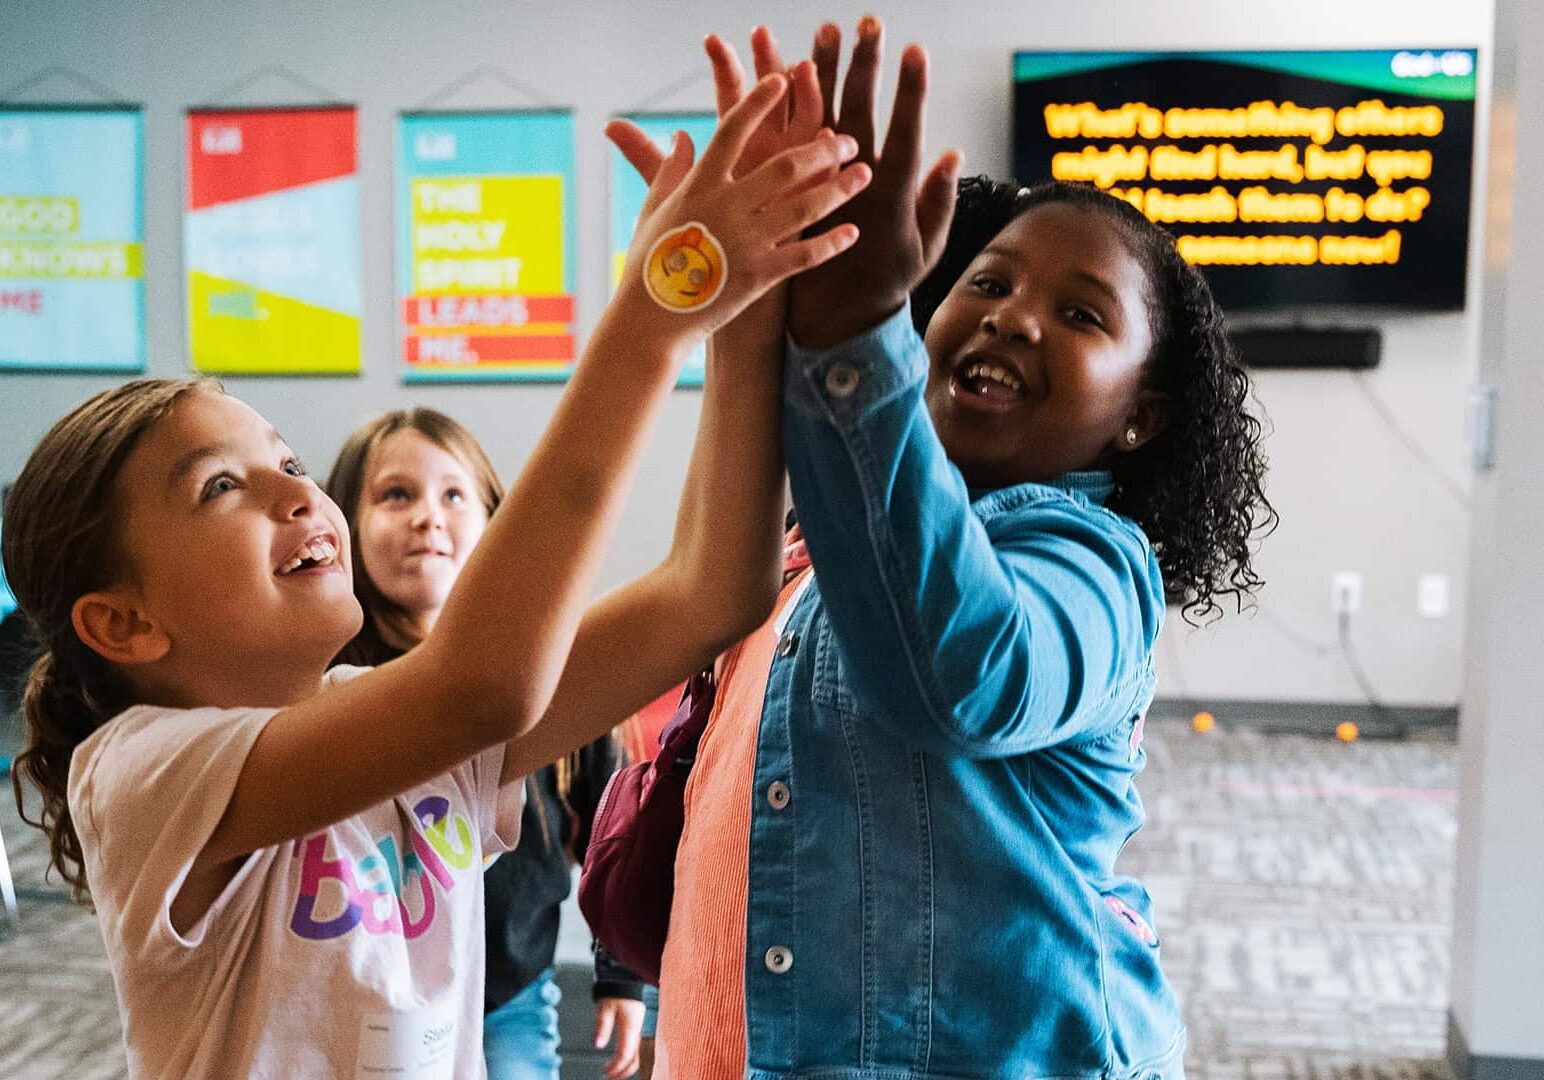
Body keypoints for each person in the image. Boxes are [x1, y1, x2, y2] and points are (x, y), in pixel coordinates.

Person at [1, 73, 869, 1078]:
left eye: (285, 463)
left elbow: (705, 594)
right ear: (124, 622)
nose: (294, 494)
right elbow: (480, 684)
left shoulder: (395, 718)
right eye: (218, 488)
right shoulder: (141, 771)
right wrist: (649, 311)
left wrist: (740, 320)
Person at [624, 19, 1275, 1078]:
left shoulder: (1089, 563)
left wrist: (852, 333)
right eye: (985, 283)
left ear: (1139, 417)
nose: (1013, 319)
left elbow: (965, 674)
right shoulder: (811, 551)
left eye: (1078, 312)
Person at [324, 407, 651, 1079]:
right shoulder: (327, 689)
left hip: (510, 997)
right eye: (395, 494)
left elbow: (615, 836)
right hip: (367, 1001)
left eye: (452, 494)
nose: (426, 515)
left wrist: (623, 974)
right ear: (346, 524)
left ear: (496, 524)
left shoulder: (546, 675)